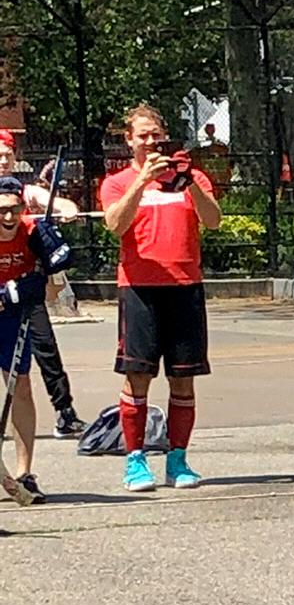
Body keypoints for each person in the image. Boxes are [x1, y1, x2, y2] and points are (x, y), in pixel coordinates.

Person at [98, 104, 222, 493]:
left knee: (183, 379)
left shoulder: (192, 177)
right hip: (139, 289)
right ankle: (135, 460)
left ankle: (178, 458)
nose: (151, 141)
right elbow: (116, 225)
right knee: (138, 377)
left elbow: (214, 220)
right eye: (143, 135)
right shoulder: (117, 182)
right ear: (130, 140)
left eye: (156, 134)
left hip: (185, 288)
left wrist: (189, 183)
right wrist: (142, 182)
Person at [0, 133, 84, 438]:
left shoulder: (24, 191)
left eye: (7, 155)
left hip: (25, 284)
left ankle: (65, 411)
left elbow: (54, 202)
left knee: (44, 346)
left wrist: (63, 208)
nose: (3, 161)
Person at [0, 175, 72, 501]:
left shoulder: (31, 231)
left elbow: (51, 281)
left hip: (14, 317)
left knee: (21, 387)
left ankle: (24, 472)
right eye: (1, 210)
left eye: (15, 209)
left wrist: (53, 249)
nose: (8, 217)